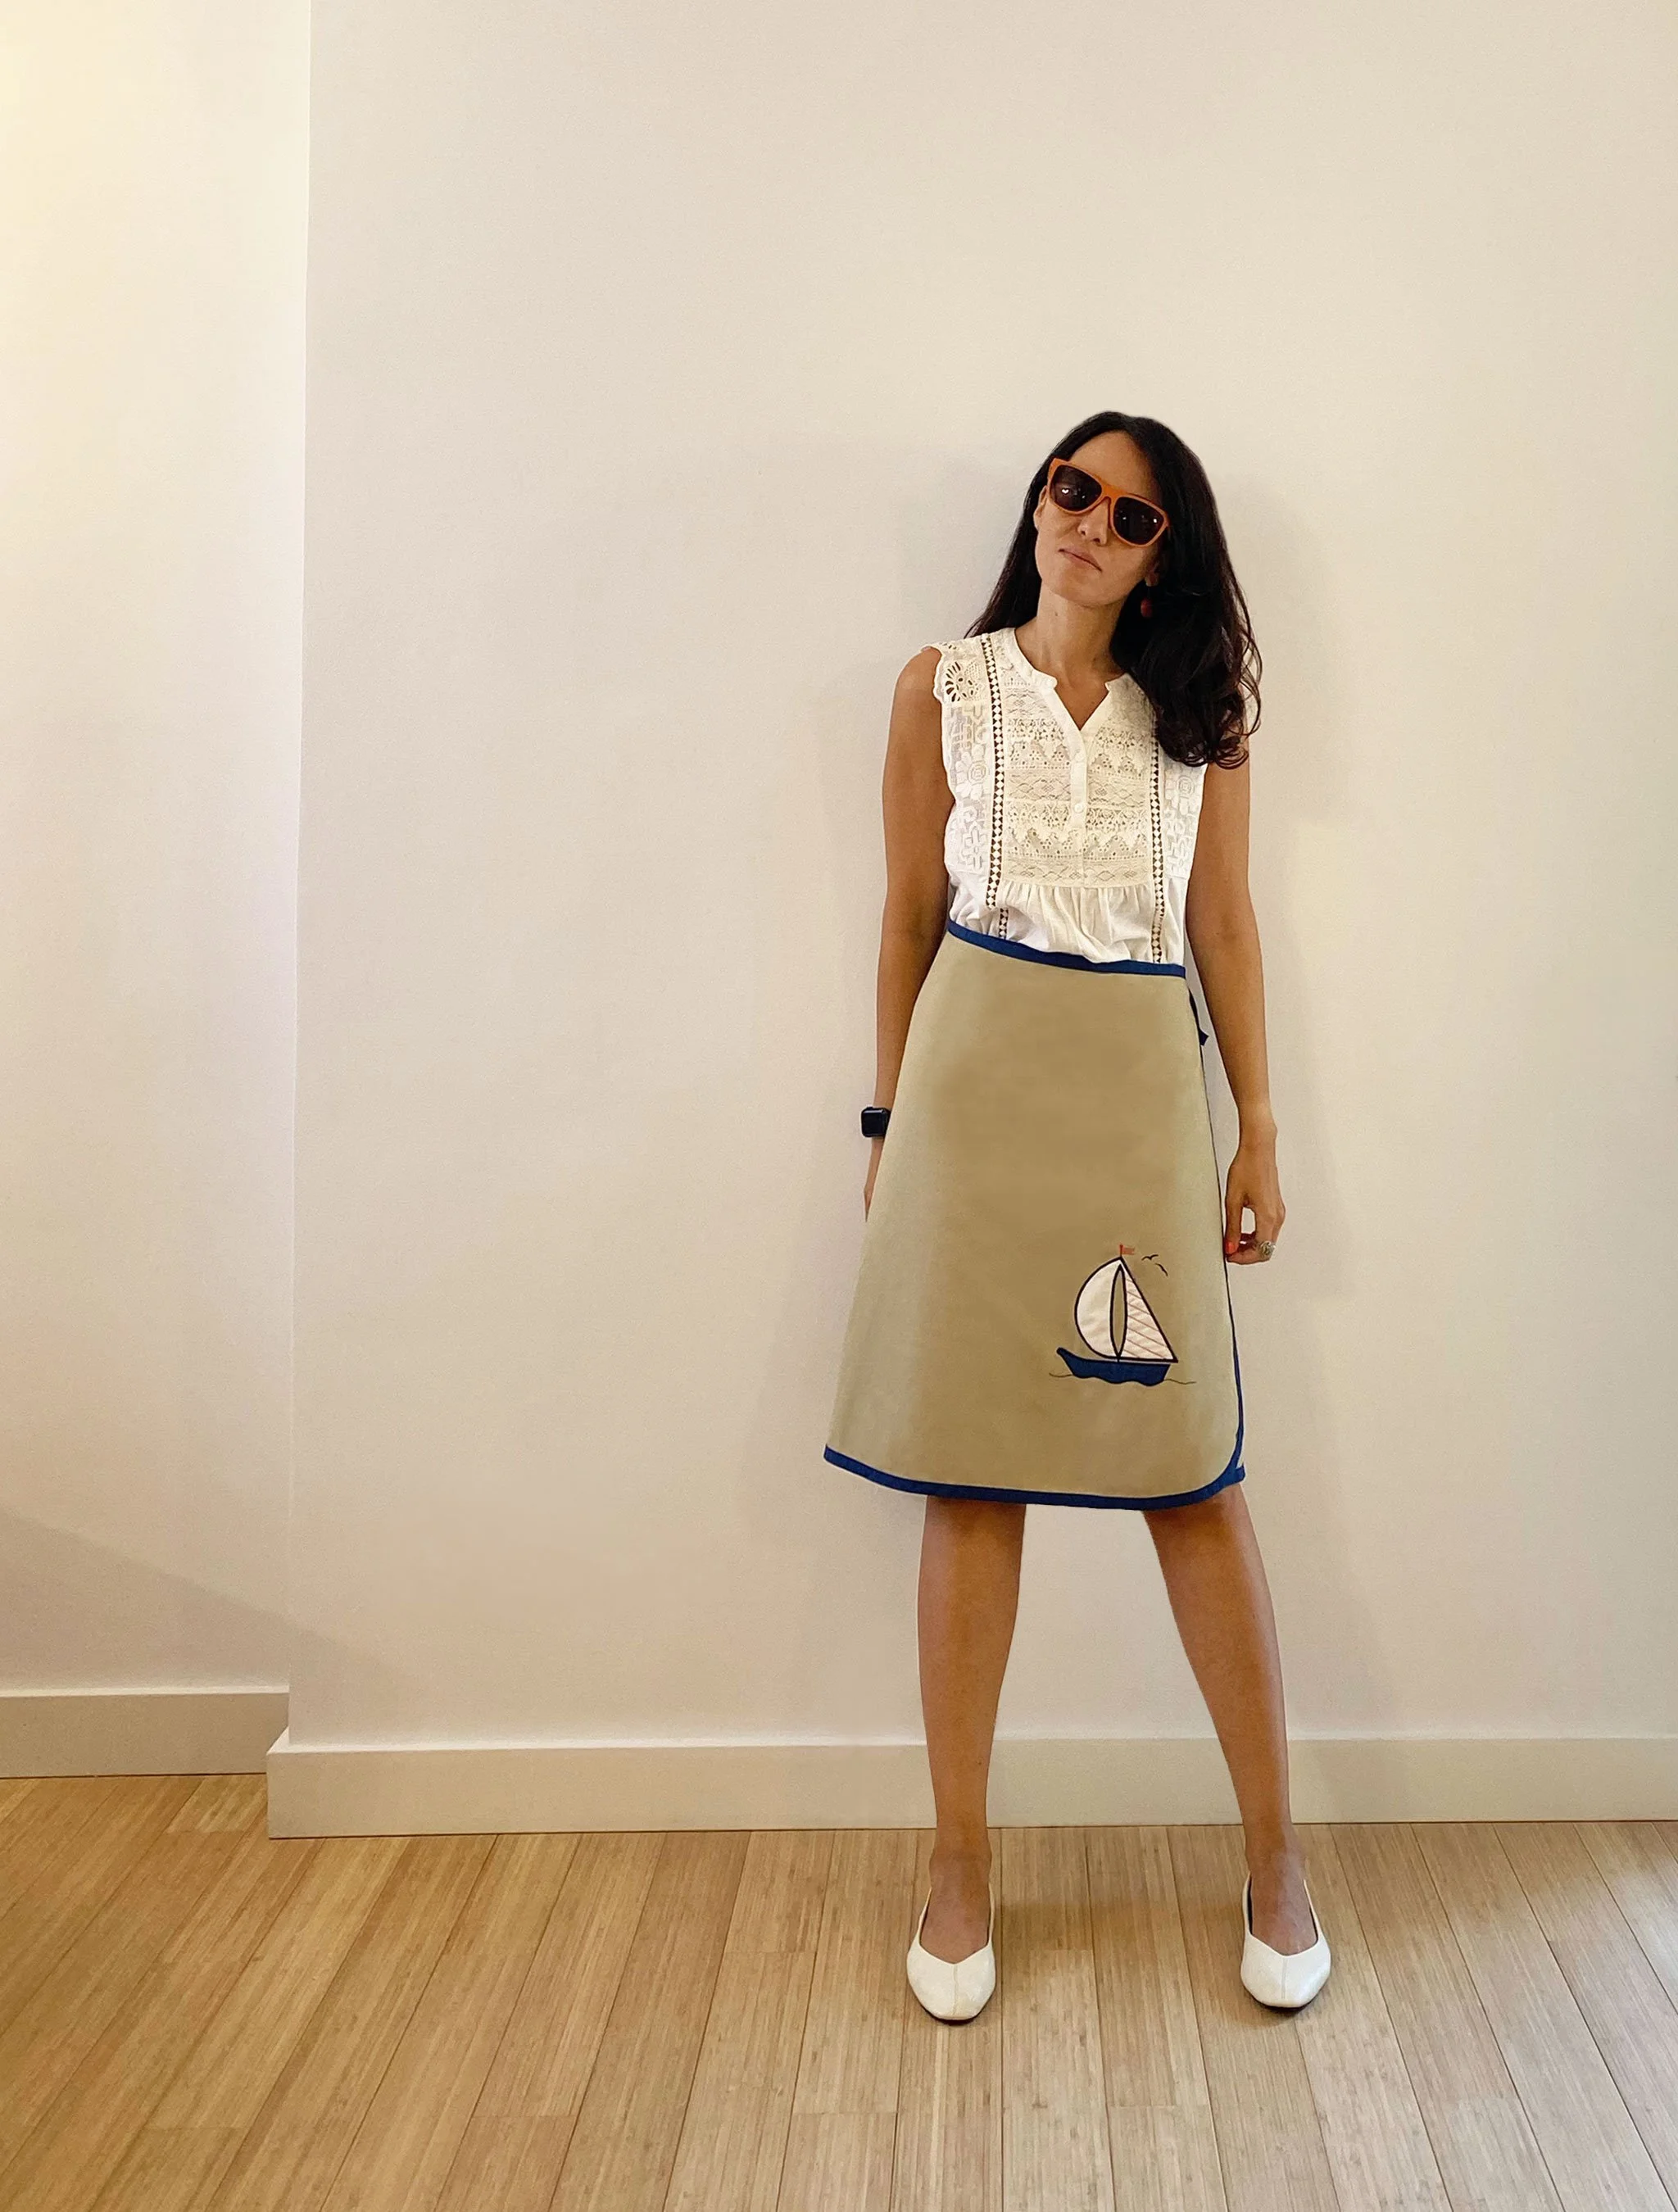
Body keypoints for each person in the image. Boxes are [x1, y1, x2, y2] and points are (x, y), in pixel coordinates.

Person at [823, 410, 1331, 2020]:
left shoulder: (1200, 727)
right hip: (972, 1110)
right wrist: (887, 1122)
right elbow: (907, 917)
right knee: (972, 1478)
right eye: (1073, 490)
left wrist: (1258, 1128)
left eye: (1131, 515)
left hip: (1135, 1110)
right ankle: (958, 1864)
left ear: (1163, 558)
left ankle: (1275, 1858)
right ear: (1038, 501)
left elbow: (1224, 929)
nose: (1090, 525)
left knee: (1192, 1481)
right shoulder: (941, 688)